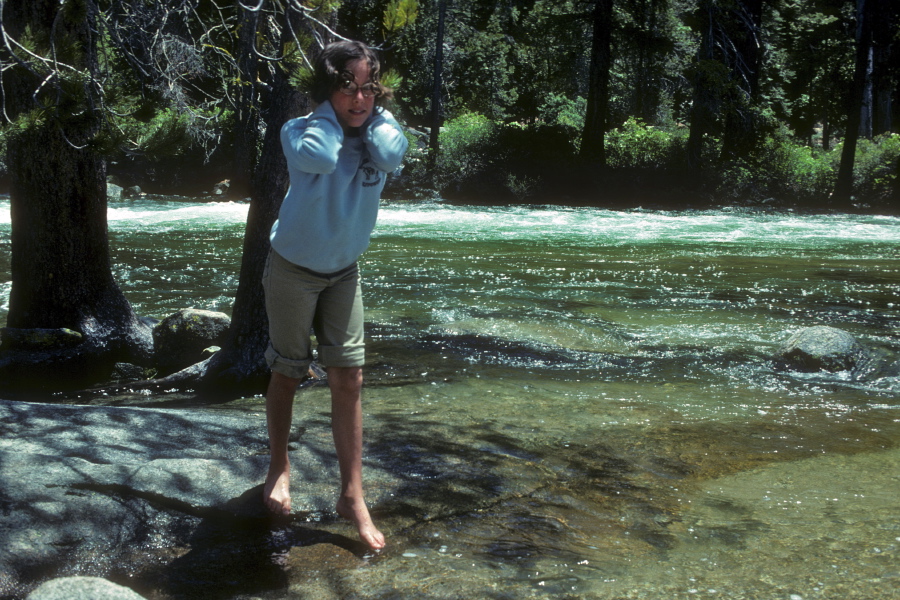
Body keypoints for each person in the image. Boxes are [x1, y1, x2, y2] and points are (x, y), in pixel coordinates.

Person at [261, 40, 408, 551]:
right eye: (347, 88)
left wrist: (372, 119)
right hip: (293, 269)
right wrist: (328, 114)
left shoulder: (380, 132)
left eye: (369, 87)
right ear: (326, 92)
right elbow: (321, 159)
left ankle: (353, 495)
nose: (360, 99)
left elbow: (391, 155)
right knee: (289, 369)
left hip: (344, 272)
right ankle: (279, 467)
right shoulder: (298, 131)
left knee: (349, 377)